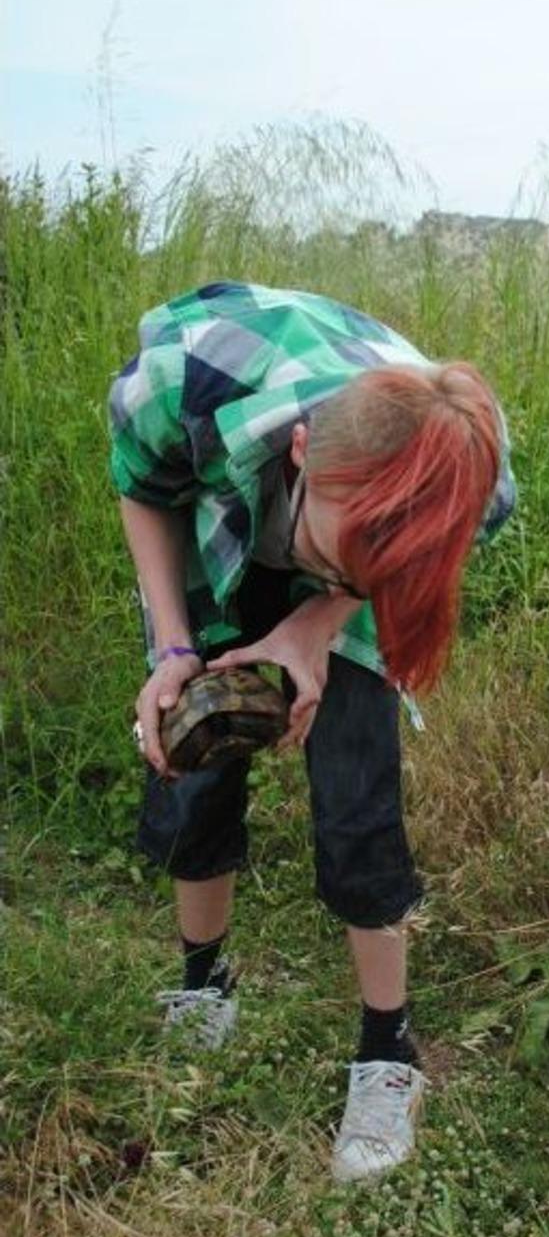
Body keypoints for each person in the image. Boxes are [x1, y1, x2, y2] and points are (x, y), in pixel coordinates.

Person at [109, 281, 515, 1184]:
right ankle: (203, 985)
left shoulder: (469, 476)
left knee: (357, 799)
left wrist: (323, 615)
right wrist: (173, 647)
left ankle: (388, 1050)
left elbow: (387, 557)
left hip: (357, 546)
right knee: (193, 757)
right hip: (233, 514)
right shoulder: (184, 382)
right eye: (349, 548)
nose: (355, 568)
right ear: (299, 451)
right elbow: (144, 485)